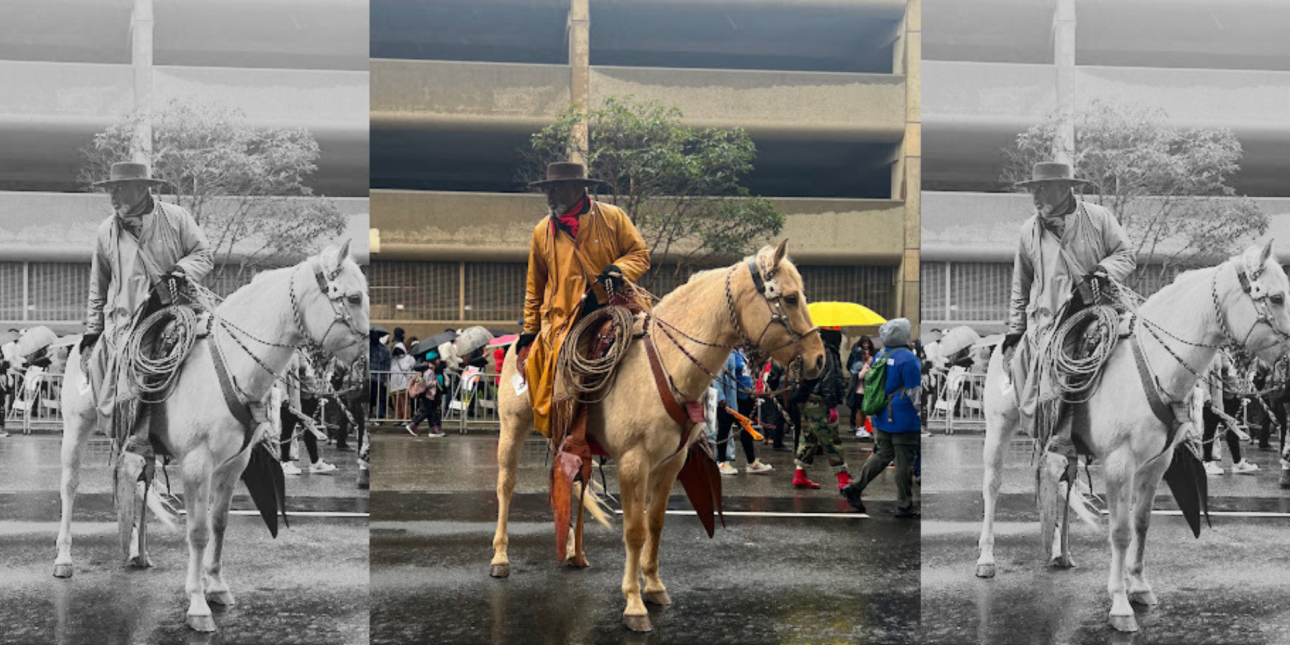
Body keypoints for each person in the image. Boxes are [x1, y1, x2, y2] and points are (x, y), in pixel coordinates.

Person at [82, 161, 213, 481]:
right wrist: (91, 330)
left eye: (120, 188)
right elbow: (98, 287)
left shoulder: (177, 217)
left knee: (222, 344)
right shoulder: (105, 232)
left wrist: (181, 271)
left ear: (143, 189)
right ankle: (139, 439)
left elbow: (203, 255)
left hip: (180, 306)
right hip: (130, 319)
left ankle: (245, 424)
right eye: (111, 189)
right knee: (140, 360)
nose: (113, 195)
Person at [1002, 161, 1134, 471]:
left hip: (1102, 308)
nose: (1036, 196)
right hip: (1052, 321)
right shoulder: (1027, 231)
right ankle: (1060, 436)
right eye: (1033, 190)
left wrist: (1103, 271)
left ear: (1065, 188)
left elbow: (1126, 254)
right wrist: (1014, 330)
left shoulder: (1099, 218)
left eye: (1043, 189)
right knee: (1061, 363)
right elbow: (1020, 287)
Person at [517, 161, 650, 440]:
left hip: (617, 306)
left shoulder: (613, 217)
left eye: (556, 188)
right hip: (566, 320)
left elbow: (640, 254)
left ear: (577, 188)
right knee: (566, 383)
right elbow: (534, 286)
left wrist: (619, 270)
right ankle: (567, 438)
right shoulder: (542, 231)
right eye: (548, 189)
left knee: (657, 348)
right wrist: (529, 333)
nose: (550, 196)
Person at [842, 318, 922, 517]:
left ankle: (855, 486)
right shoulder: (908, 358)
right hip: (904, 418)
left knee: (882, 455)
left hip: (882, 414)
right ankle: (905, 504)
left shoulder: (881, 355)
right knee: (904, 463)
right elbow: (915, 393)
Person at [791, 328, 852, 490]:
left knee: (808, 438)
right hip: (820, 401)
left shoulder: (811, 349)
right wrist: (832, 405)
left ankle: (800, 474)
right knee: (831, 439)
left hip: (806, 399)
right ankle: (843, 478)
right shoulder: (828, 352)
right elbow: (829, 380)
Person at [715, 349, 772, 475]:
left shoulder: (742, 353)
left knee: (747, 430)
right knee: (724, 429)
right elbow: (717, 377)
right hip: (730, 398)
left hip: (745, 398)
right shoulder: (725, 353)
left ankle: (751, 462)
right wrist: (720, 397)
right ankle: (721, 462)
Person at [847, 335, 876, 439]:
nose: (868, 355)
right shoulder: (859, 365)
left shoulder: (863, 364)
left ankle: (863, 427)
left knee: (863, 411)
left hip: (865, 391)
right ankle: (859, 428)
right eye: (866, 354)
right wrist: (867, 367)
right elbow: (860, 376)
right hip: (859, 391)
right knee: (859, 410)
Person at [388, 346, 415, 421]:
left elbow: (412, 368)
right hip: (394, 384)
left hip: (404, 383)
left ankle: (406, 418)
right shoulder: (393, 360)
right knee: (396, 403)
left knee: (405, 402)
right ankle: (398, 418)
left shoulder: (409, 358)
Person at [369, 332, 391, 422]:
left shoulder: (365, 348)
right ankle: (379, 417)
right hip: (380, 378)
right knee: (380, 398)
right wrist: (386, 379)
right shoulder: (385, 349)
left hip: (370, 377)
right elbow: (387, 365)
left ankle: (370, 415)